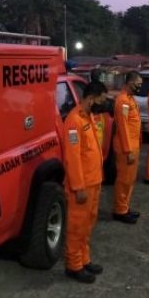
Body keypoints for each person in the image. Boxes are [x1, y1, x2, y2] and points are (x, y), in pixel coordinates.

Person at [63, 81, 108, 284]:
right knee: (76, 227)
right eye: (102, 100)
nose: (103, 104)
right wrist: (78, 187)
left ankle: (84, 259)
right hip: (81, 187)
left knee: (88, 225)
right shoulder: (74, 122)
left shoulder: (88, 116)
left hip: (94, 181)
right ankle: (74, 266)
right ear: (91, 98)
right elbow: (72, 159)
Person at [112, 71, 143, 224]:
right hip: (126, 148)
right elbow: (123, 128)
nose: (140, 87)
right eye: (138, 84)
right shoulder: (123, 101)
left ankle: (125, 207)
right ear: (130, 83)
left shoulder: (131, 99)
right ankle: (119, 210)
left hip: (133, 146)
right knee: (124, 180)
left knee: (130, 180)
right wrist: (128, 150)